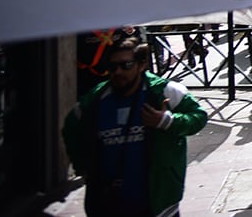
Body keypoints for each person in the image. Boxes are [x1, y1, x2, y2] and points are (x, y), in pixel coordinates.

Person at [62, 36, 208, 217]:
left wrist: (168, 121)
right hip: (108, 202)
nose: (118, 72)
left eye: (126, 65)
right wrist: (82, 165)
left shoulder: (163, 92)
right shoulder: (95, 99)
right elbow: (71, 127)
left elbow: (199, 117)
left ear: (141, 65)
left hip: (158, 201)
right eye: (112, 67)